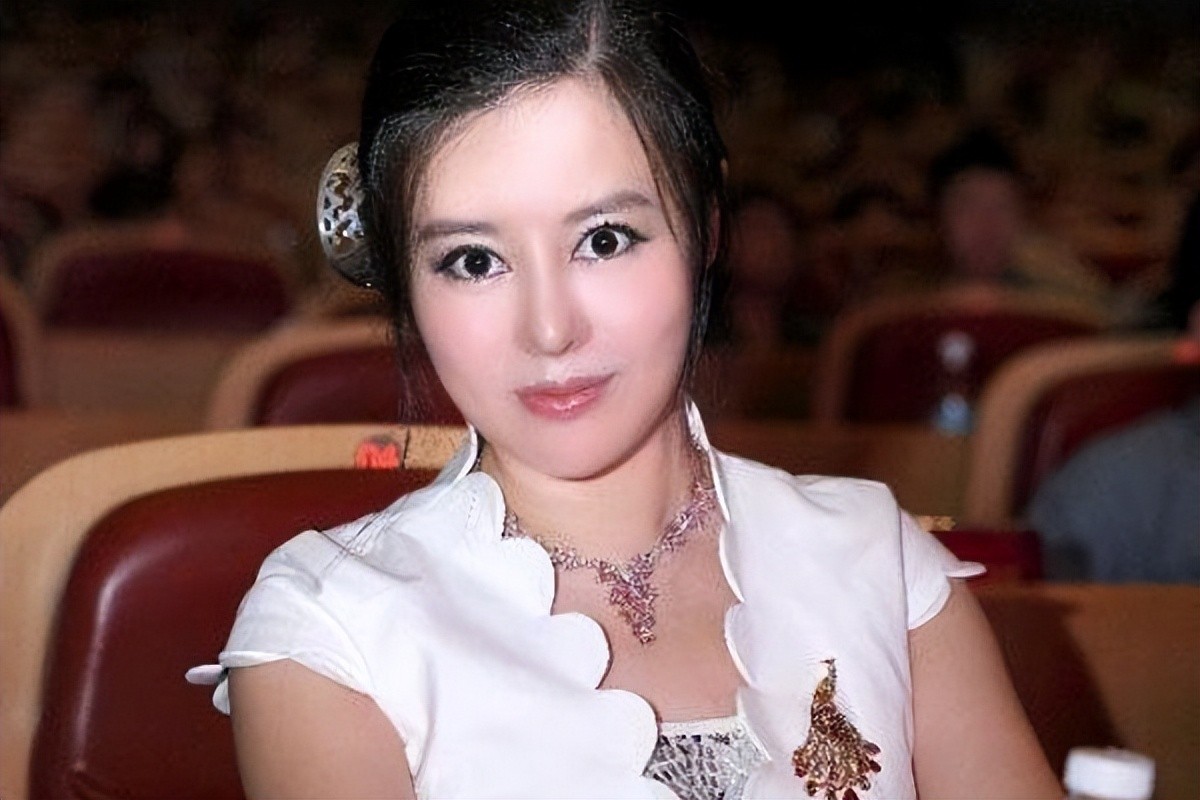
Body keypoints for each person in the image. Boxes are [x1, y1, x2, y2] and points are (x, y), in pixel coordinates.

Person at [189, 2, 1060, 797]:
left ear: (704, 226)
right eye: (473, 261)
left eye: (604, 240)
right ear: (405, 282)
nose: (549, 330)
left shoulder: (876, 563)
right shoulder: (335, 629)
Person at [926, 125, 1117, 318]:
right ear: (939, 218)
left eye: (1003, 207)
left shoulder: (1062, 294)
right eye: (968, 207)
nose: (987, 225)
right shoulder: (916, 297)